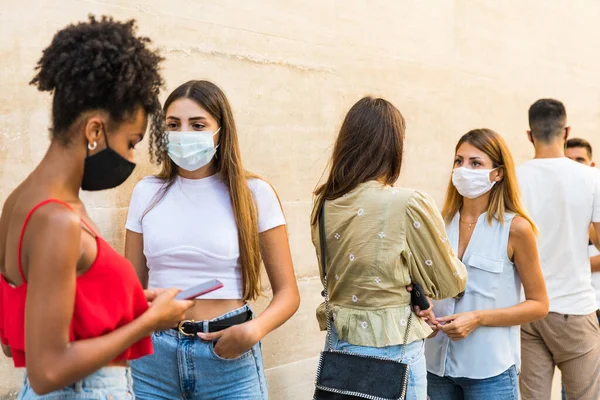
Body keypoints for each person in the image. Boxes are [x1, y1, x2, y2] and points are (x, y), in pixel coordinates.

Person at [0, 16, 194, 399]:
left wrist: (133, 303)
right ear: (94, 132)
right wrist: (151, 322)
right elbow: (47, 369)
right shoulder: (58, 218)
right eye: (132, 142)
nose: (132, 157)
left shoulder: (19, 203)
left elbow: (17, 335)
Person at [125, 80, 300, 399]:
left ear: (221, 131)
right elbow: (131, 290)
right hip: (153, 360)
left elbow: (288, 293)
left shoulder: (253, 194)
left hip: (227, 357)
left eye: (198, 125)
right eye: (173, 125)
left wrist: (254, 330)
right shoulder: (145, 193)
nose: (184, 134)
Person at [310, 96, 468, 400]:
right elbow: (450, 281)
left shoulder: (325, 203)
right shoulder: (406, 203)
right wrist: (414, 282)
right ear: (393, 146)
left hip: (340, 348)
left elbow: (336, 275)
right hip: (395, 353)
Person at [425, 128, 549, 400]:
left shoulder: (516, 228)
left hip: (490, 372)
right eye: (459, 161)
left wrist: (478, 318)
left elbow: (539, 304)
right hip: (435, 366)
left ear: (498, 173)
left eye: (475, 163)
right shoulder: (438, 224)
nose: (463, 169)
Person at [517, 99, 600, 400]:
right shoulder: (592, 177)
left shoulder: (514, 179)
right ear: (566, 131)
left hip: (526, 308)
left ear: (530, 135)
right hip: (574, 308)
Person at [562, 138, 600, 400]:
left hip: (596, 303)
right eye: (569, 161)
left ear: (591, 164)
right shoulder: (560, 205)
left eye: (580, 160)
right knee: (574, 385)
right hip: (572, 310)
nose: (574, 167)